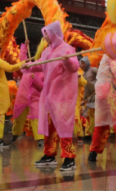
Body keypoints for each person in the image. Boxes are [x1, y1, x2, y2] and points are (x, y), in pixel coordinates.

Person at [28, 21, 80, 172]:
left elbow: (74, 67)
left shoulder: (67, 49)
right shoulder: (46, 52)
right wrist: (27, 66)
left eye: (46, 35)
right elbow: (40, 64)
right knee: (49, 127)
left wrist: (67, 60)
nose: (45, 38)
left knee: (63, 125)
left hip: (63, 96)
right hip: (49, 95)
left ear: (54, 34)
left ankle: (69, 158)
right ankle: (49, 155)